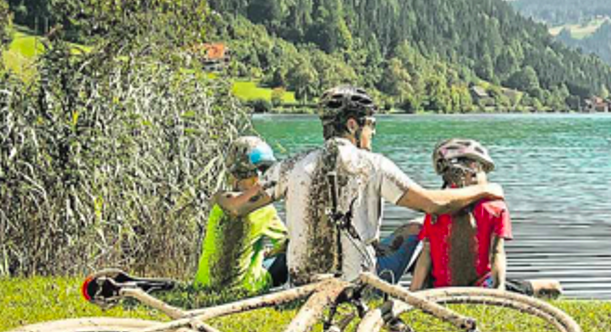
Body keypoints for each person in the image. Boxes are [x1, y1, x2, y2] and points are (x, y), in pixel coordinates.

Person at [216, 86, 504, 285]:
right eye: (371, 125)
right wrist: (486, 190)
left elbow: (238, 206)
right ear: (353, 125)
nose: (373, 132)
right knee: (419, 226)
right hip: (355, 290)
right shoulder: (373, 165)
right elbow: (434, 202)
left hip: (300, 289)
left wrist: (218, 196)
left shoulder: (290, 166)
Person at [409, 138, 562, 297]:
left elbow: (426, 254)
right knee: (554, 287)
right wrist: (499, 289)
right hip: (481, 288)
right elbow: (497, 252)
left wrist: (413, 291)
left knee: (551, 287)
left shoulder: (437, 206)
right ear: (475, 169)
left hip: (441, 288)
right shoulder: (495, 207)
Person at [194, 136, 288, 293]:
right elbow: (285, 244)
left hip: (204, 285)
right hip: (243, 288)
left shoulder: (219, 202)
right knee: (286, 256)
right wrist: (270, 253)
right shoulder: (264, 209)